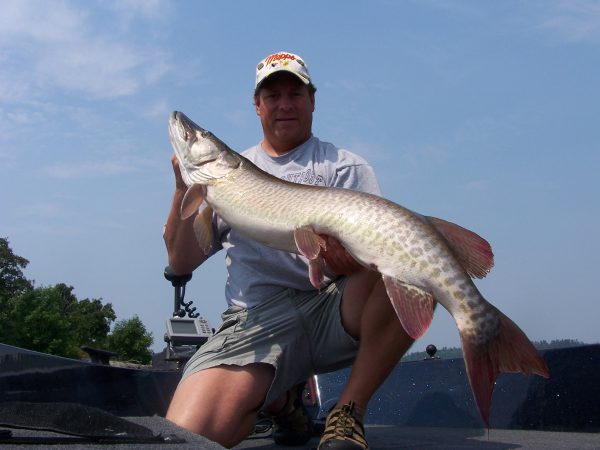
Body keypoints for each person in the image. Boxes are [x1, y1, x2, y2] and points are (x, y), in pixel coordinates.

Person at [163, 51, 414, 450]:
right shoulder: (227, 174)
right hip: (256, 321)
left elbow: (376, 250)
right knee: (192, 434)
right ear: (257, 105)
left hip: (332, 308)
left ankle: (347, 412)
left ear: (312, 100)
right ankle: (280, 400)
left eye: (295, 94)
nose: (284, 105)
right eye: (273, 96)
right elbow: (181, 261)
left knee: (413, 269)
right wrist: (183, 188)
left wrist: (346, 259)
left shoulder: (344, 167)